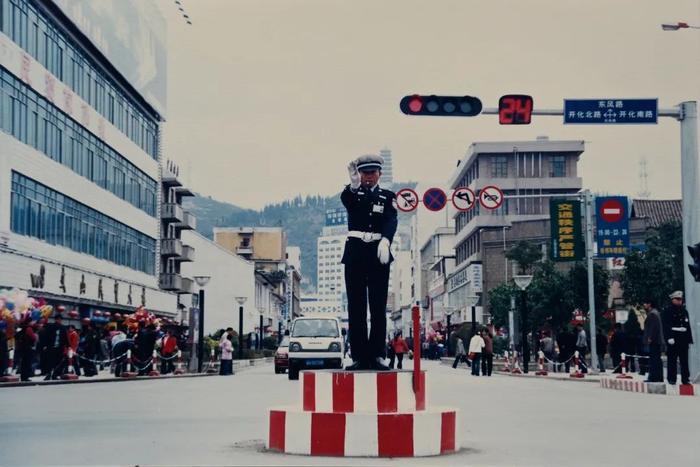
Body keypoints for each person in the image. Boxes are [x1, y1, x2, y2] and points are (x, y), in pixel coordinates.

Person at [341, 155, 397, 371]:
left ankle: (377, 355)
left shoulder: (387, 196)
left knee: (377, 306)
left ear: (379, 174)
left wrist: (386, 240)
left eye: (372, 172)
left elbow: (391, 219)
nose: (368, 176)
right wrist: (353, 186)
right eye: (364, 172)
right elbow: (348, 202)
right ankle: (358, 356)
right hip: (355, 253)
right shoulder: (353, 194)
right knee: (356, 307)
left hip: (378, 253)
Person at [662, 291, 694, 385]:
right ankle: (672, 378)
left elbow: (687, 326)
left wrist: (689, 339)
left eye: (681, 299)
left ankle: (685, 378)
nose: (680, 301)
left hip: (683, 339)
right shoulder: (667, 311)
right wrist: (669, 337)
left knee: (684, 361)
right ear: (672, 300)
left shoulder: (684, 311)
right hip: (673, 339)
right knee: (672, 360)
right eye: (677, 299)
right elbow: (665, 326)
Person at [642, 298, 664, 382]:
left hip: (654, 341)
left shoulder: (652, 314)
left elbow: (653, 328)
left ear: (649, 304)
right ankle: (658, 377)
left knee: (654, 360)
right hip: (657, 341)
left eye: (645, 303)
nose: (644, 305)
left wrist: (649, 338)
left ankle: (653, 377)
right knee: (657, 359)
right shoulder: (656, 313)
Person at [42, 313, 68, 379]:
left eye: (60, 319)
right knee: (50, 362)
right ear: (55, 319)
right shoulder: (50, 327)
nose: (59, 320)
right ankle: (48, 374)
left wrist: (68, 346)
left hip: (59, 348)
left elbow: (65, 338)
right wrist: (45, 345)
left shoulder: (63, 328)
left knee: (58, 362)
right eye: (58, 319)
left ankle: (55, 375)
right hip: (51, 347)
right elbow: (46, 336)